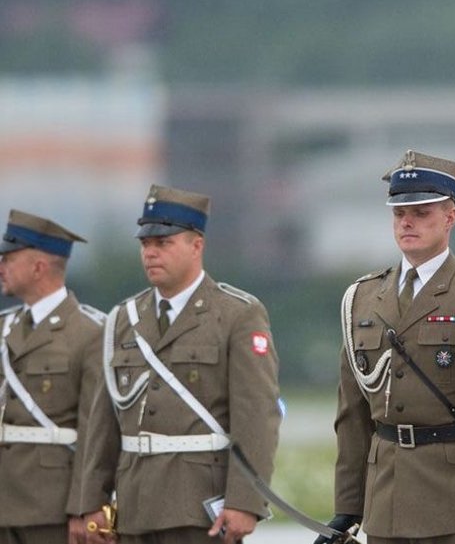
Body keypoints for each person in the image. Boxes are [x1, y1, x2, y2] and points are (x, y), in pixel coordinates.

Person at [318, 150, 455, 544]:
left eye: (422, 213)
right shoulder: (363, 299)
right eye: (400, 213)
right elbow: (352, 417)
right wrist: (348, 508)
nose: (407, 222)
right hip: (387, 504)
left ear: (450, 217)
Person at [79, 185, 281, 544]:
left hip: (201, 506)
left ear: (196, 245)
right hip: (134, 507)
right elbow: (105, 420)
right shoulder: (123, 318)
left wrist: (245, 502)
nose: (151, 254)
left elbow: (256, 417)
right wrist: (92, 501)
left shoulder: (237, 314)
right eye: (146, 245)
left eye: (164, 243)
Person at [0, 210, 104, 544]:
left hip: (51, 506)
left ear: (38, 267)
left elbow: (96, 430)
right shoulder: (5, 328)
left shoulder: (90, 333)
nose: (1, 267)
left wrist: (85, 507)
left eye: (9, 259)